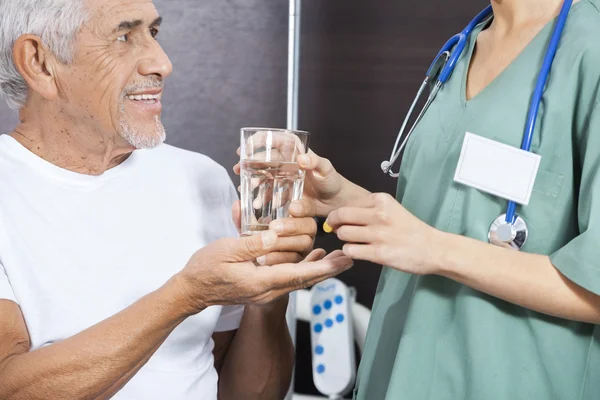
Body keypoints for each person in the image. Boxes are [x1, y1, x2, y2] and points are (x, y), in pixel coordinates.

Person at [242, 0, 600, 398]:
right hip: (400, 373)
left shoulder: (590, 47)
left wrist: (434, 249)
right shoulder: (463, 47)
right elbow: (447, 220)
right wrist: (340, 197)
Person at [0, 1, 353, 399]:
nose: (162, 64)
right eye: (123, 36)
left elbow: (246, 394)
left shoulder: (199, 179)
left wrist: (267, 297)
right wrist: (185, 296)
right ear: (40, 63)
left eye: (152, 33)